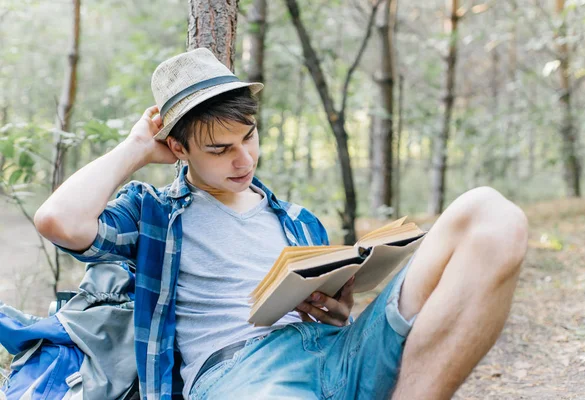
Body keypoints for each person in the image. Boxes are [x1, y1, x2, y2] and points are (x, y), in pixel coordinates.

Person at [34, 48, 528, 400]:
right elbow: (59, 221)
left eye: (249, 138)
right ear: (179, 149)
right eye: (219, 149)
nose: (243, 158)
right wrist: (138, 146)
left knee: (491, 215)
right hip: (246, 375)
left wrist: (337, 310)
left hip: (341, 355)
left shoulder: (297, 220)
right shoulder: (153, 213)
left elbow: (334, 316)